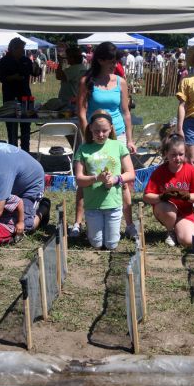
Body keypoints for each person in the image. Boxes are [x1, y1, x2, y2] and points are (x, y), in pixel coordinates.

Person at [75, 41, 137, 239]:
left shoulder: (120, 82)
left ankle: (129, 224)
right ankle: (78, 222)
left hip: (116, 134)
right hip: (94, 133)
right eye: (111, 61)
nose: (114, 64)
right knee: (86, 180)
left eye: (115, 60)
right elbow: (82, 111)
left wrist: (129, 139)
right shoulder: (87, 81)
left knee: (122, 180)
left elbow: (126, 113)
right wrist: (87, 135)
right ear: (100, 60)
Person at [74, 110, 135, 250]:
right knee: (96, 244)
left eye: (104, 131)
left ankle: (117, 229)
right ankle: (91, 228)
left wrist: (115, 179)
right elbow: (79, 179)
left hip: (113, 204)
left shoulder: (118, 146)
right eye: (96, 131)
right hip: (92, 205)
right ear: (90, 129)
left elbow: (130, 174)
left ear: (111, 129)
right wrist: (97, 178)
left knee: (111, 245)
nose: (100, 134)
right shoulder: (83, 149)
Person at [143, 134, 194, 247]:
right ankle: (170, 230)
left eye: (181, 154)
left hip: (185, 212)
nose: (178, 158)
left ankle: (178, 228)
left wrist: (185, 196)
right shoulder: (160, 171)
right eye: (173, 155)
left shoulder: (191, 171)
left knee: (188, 241)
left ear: (185, 152)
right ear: (166, 154)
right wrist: (161, 197)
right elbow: (146, 196)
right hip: (166, 210)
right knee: (167, 208)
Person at [0, 143, 51, 243]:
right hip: (13, 182)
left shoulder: (2, 170)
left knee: (24, 227)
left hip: (31, 184)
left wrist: (20, 221)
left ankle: (44, 208)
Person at [0, 37, 36, 152]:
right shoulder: (4, 61)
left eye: (23, 48)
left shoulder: (26, 60)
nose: (22, 51)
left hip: (26, 97)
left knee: (26, 127)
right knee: (11, 127)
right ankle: (13, 153)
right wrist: (12, 77)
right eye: (20, 48)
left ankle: (26, 152)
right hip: (10, 97)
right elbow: (1, 77)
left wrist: (37, 70)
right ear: (13, 48)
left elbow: (34, 73)